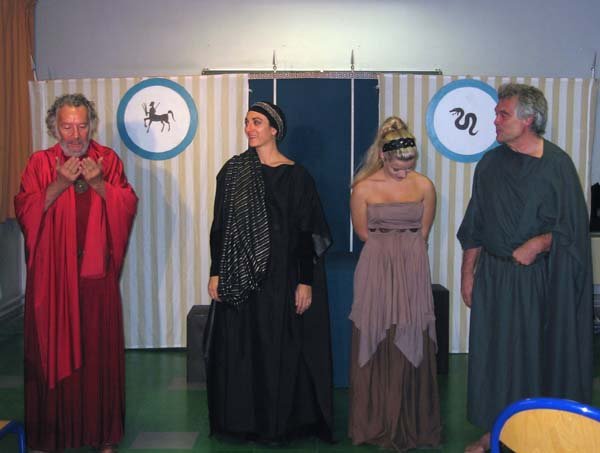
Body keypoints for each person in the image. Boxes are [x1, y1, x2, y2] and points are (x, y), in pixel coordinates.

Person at [457, 83, 593, 453]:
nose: (495, 121)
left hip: (539, 281)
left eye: (503, 114)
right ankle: (495, 432)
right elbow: (475, 224)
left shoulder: (557, 166)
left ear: (529, 119)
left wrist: (540, 242)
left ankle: (537, 433)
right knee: (494, 357)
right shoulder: (490, 164)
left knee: (533, 356)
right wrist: (468, 275)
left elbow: (572, 229)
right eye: (496, 114)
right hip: (494, 277)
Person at [14, 93, 138, 452]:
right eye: (67, 126)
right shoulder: (39, 163)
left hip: (95, 279)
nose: (75, 135)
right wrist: (58, 184)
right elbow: (24, 209)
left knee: (99, 354)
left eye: (82, 126)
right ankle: (50, 435)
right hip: (52, 279)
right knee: (48, 353)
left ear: (91, 125)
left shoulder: (107, 160)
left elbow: (127, 205)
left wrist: (99, 184)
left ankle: (102, 434)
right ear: (54, 127)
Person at [205, 101, 334, 444]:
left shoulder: (296, 176)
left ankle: (277, 424)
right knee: (242, 347)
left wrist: (304, 281)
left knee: (276, 347)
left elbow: (305, 233)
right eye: (246, 121)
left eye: (257, 122)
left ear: (275, 129)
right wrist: (216, 272)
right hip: (239, 274)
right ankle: (242, 422)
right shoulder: (233, 171)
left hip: (280, 277)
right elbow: (220, 226)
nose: (249, 128)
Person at [348, 116, 441, 451]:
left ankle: (411, 422)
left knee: (412, 329)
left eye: (409, 166)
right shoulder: (362, 188)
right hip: (377, 265)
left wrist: (406, 252)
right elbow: (363, 233)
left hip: (412, 265)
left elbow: (424, 232)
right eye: (398, 167)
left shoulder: (425, 186)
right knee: (377, 328)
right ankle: (375, 423)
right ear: (383, 156)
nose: (404, 173)